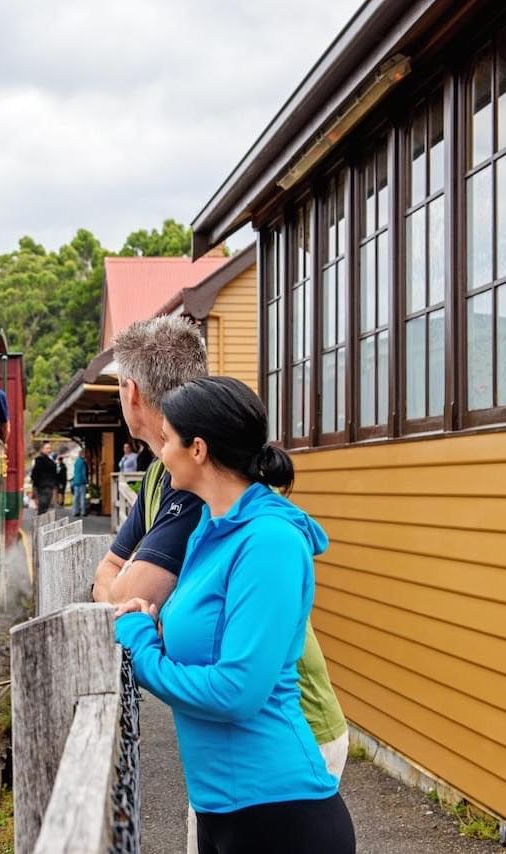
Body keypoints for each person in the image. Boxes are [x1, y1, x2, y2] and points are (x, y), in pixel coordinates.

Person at [91, 316, 348, 851]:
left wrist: (141, 644)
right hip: (223, 806)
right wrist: (150, 630)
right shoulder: (212, 526)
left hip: (279, 811)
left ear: (199, 450)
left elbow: (237, 690)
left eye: (168, 442)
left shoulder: (270, 542)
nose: (160, 455)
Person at [29, 441, 57, 515]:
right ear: (42, 449)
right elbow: (35, 473)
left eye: (50, 448)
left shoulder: (50, 460)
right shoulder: (40, 460)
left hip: (48, 485)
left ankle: (41, 521)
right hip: (43, 486)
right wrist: (36, 484)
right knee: (43, 506)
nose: (49, 450)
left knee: (45, 506)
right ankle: (40, 523)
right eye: (47, 448)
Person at [70, 447, 88, 517]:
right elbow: (83, 473)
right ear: (82, 454)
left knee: (75, 498)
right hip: (81, 482)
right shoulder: (83, 462)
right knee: (82, 498)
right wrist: (86, 481)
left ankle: (75, 511)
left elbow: (75, 472)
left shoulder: (76, 461)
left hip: (75, 481)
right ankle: (83, 512)